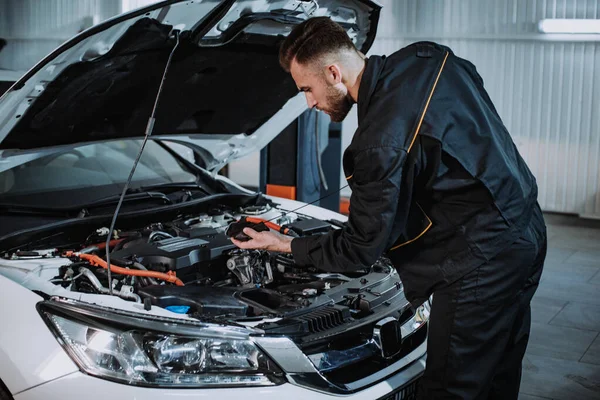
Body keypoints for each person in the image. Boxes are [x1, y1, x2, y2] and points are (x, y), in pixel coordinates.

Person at [232, 17, 546, 400]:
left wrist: (286, 245)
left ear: (333, 72)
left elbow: (360, 248)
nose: (310, 102)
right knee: (498, 373)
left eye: (307, 89)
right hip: (526, 225)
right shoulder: (428, 58)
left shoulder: (377, 142)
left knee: (452, 388)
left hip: (481, 261)